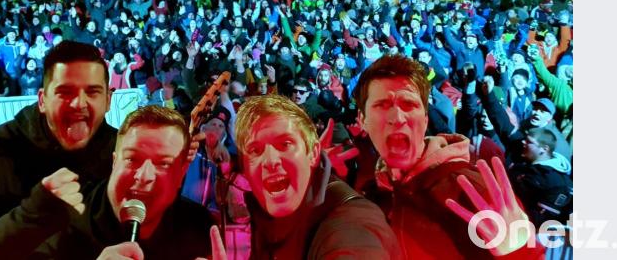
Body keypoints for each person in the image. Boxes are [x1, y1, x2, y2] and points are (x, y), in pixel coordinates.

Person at [354, 55, 543, 258]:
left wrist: (519, 253)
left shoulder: (472, 187)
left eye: (408, 105)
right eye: (382, 105)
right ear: (362, 120)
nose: (398, 118)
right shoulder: (370, 190)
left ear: (425, 119)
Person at [0, 40, 117, 259]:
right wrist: (33, 217)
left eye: (93, 92)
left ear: (108, 100)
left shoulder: (124, 151)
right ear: (42, 100)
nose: (79, 103)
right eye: (65, 92)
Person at [231, 94, 402, 259]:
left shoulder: (351, 222)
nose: (270, 161)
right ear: (244, 168)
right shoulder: (265, 218)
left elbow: (356, 244)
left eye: (284, 144)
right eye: (255, 150)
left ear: (313, 154)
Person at [35, 105, 213, 259]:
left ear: (180, 173)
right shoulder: (61, 221)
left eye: (163, 163)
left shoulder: (199, 225)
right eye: (132, 159)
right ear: (114, 162)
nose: (144, 176)